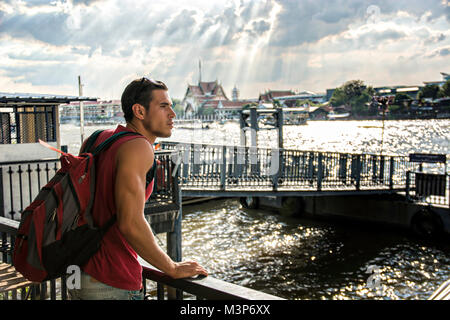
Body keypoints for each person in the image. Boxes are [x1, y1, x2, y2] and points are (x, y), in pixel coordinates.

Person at [69, 77, 208, 300]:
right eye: (163, 106)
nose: (173, 114)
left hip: (77, 271)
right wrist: (171, 267)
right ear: (139, 111)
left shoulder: (96, 140)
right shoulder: (139, 147)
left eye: (171, 106)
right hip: (110, 280)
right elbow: (130, 222)